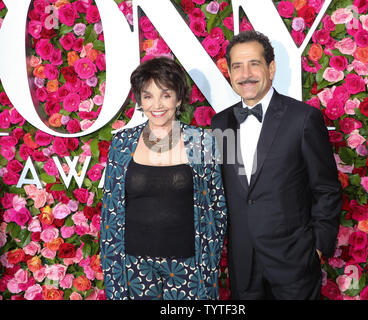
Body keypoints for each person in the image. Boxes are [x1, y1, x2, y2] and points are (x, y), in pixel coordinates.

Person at [211, 30, 342, 300]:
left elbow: (327, 188)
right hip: (243, 265)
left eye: (254, 64)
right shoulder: (220, 123)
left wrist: (317, 247)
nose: (245, 74)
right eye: (237, 66)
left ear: (271, 68)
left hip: (295, 262)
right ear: (230, 73)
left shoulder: (304, 119)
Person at [100, 57, 227, 300]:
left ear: (178, 98)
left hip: (188, 265)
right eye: (148, 96)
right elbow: (110, 209)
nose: (156, 104)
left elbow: (217, 205)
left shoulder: (202, 142)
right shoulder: (122, 143)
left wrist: (208, 259)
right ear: (140, 100)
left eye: (165, 95)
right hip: (133, 266)